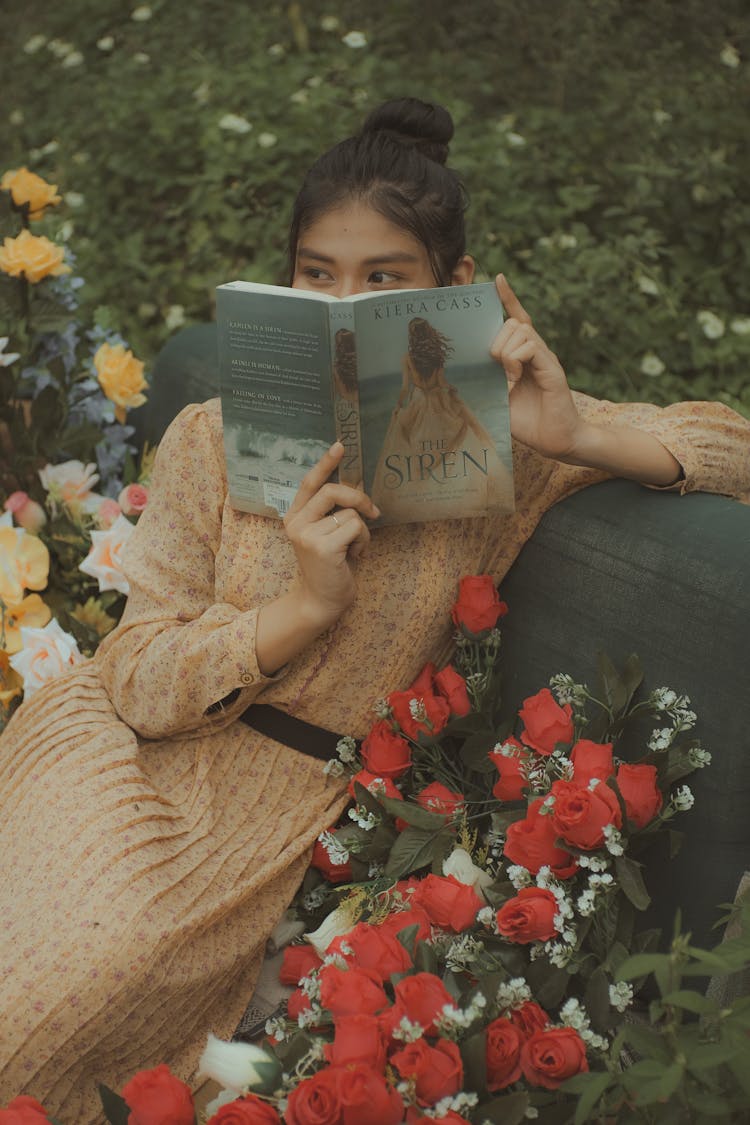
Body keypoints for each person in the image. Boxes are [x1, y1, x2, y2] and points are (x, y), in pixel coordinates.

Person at [0, 97, 748, 1122]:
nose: (345, 304)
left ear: (451, 287)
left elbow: (730, 446)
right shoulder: (211, 442)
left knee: (74, 991)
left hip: (275, 808)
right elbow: (135, 677)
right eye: (319, 276)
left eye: (384, 280)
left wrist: (577, 431)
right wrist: (303, 607)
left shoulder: (507, 454)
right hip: (124, 757)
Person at [370, 315, 514, 520]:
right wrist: (451, 392)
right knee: (454, 446)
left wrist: (398, 407)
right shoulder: (436, 358)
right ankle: (456, 491)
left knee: (417, 454)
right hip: (439, 400)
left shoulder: (407, 359)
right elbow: (441, 383)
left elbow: (405, 388)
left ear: (412, 337)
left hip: (419, 403)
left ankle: (421, 499)